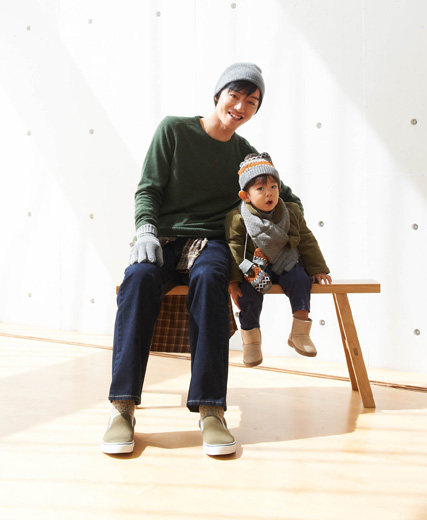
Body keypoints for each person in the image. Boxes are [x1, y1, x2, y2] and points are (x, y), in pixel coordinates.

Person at [101, 63, 303, 457]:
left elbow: (288, 198)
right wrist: (146, 230)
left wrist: (280, 234)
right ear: (218, 95)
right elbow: (148, 189)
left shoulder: (245, 154)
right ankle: (122, 408)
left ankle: (211, 411)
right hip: (163, 238)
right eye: (235, 96)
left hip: (212, 242)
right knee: (138, 280)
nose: (241, 106)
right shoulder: (173, 130)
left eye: (251, 102)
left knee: (211, 281)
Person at [225, 153, 331, 367]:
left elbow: (307, 240)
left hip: (286, 261)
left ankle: (300, 333)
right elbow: (234, 250)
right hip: (256, 267)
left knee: (301, 281)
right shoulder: (237, 218)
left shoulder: (290, 211)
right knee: (248, 296)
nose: (269, 193)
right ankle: (251, 341)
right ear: (245, 195)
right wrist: (233, 282)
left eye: (273, 187)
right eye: (260, 188)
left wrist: (317, 268)